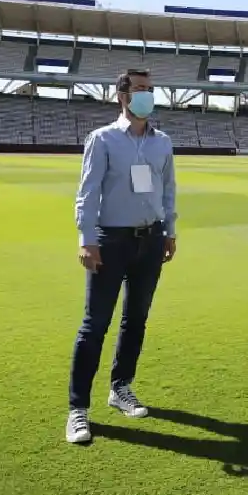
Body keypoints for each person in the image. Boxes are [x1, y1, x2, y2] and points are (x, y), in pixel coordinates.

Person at [66, 69, 178, 444]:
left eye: (150, 89)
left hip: (151, 239)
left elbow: (168, 190)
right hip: (110, 240)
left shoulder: (162, 142)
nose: (146, 95)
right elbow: (88, 192)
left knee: (136, 320)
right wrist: (86, 239)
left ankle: (121, 388)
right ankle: (78, 409)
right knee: (94, 324)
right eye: (139, 90)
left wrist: (169, 230)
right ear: (122, 96)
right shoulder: (103, 139)